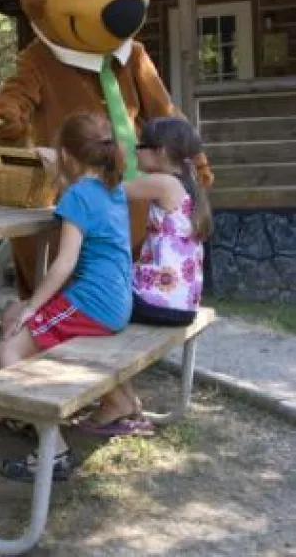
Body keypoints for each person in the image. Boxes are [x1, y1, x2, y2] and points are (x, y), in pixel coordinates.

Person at [0, 112, 133, 481]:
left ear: (68, 157)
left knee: (8, 350)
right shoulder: (111, 184)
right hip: (117, 301)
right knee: (24, 326)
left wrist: (33, 308)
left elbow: (63, 264)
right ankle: (29, 411)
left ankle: (54, 452)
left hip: (93, 304)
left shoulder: (77, 196)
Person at [78, 116, 213, 436]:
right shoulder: (186, 185)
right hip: (180, 302)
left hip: (160, 300)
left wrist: (74, 165)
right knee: (98, 303)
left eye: (140, 147)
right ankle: (122, 399)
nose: (135, 152)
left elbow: (110, 191)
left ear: (161, 151)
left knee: (88, 307)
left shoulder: (164, 183)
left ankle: (116, 401)